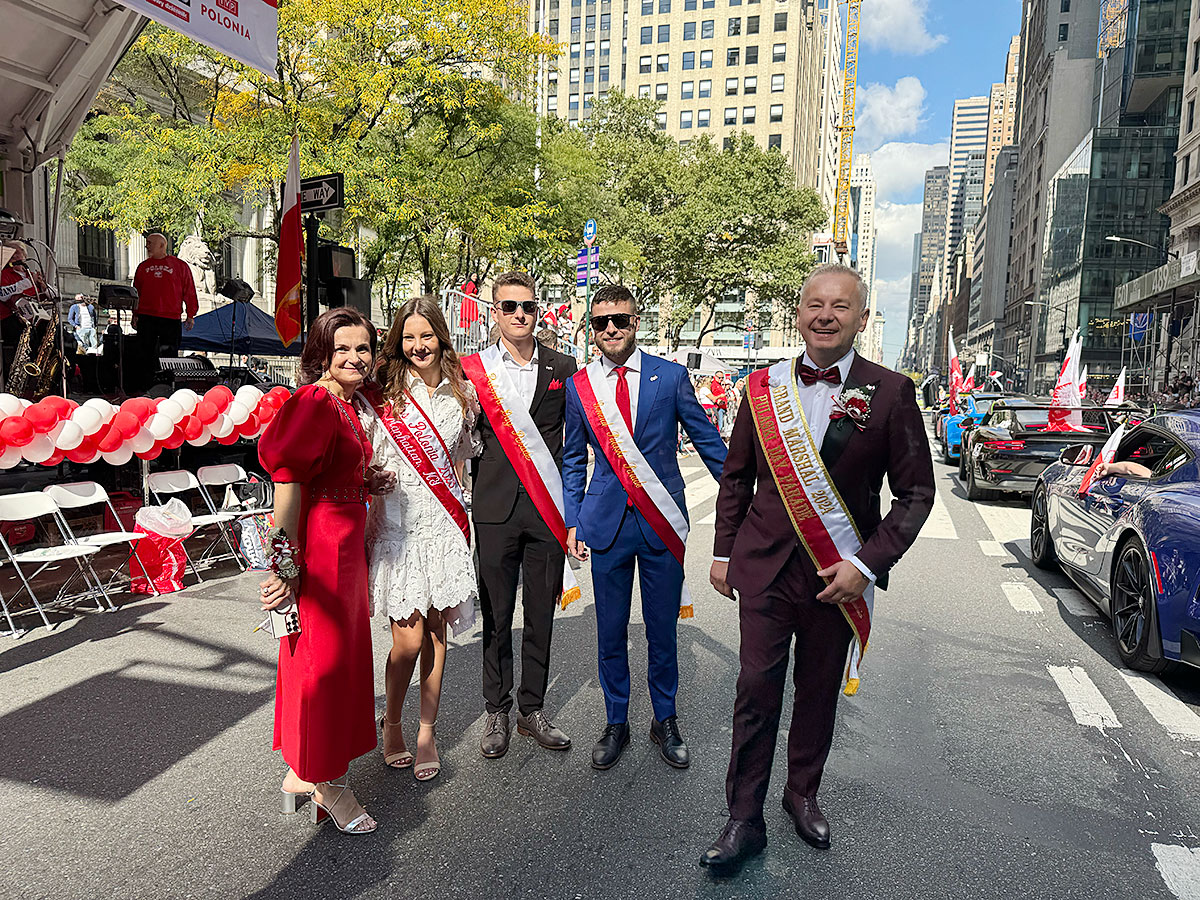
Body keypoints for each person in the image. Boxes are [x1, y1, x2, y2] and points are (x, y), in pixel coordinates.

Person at [700, 264, 935, 872]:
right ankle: (743, 817)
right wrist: (723, 552)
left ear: (862, 318)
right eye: (814, 305)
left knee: (819, 691)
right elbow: (736, 477)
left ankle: (801, 792)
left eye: (840, 306)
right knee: (755, 690)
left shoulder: (891, 392)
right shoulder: (762, 388)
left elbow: (916, 494)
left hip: (838, 574)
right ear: (799, 313)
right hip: (766, 568)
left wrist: (867, 565)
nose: (825, 316)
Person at [563, 284, 727, 771]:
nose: (611, 329)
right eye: (601, 322)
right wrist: (573, 520)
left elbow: (707, 440)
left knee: (662, 630)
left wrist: (746, 498)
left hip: (661, 524)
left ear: (637, 323)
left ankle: (665, 718)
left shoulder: (670, 376)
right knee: (611, 632)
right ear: (592, 329)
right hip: (606, 526)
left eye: (620, 320)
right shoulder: (580, 386)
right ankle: (616, 721)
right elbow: (573, 460)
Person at [257, 306, 395, 835]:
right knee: (323, 665)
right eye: (343, 349)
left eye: (363, 348)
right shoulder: (315, 402)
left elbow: (327, 473)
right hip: (320, 550)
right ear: (322, 354)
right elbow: (288, 486)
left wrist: (364, 482)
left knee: (323, 660)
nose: (355, 357)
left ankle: (302, 770)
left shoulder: (345, 403)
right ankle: (327, 783)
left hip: (343, 548)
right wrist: (284, 565)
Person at [361, 296, 479, 783]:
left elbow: (460, 458)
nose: (418, 345)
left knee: (436, 633)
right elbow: (362, 453)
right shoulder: (383, 394)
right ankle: (392, 721)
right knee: (407, 641)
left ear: (440, 337)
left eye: (426, 335)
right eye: (408, 337)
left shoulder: (462, 393)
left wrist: (463, 511)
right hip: (399, 527)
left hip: (444, 528)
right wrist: (368, 479)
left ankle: (426, 730)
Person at [461, 271, 578, 759]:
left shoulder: (563, 366)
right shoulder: (473, 371)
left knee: (540, 616)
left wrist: (576, 515)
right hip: (494, 510)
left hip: (546, 509)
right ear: (495, 312)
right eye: (509, 306)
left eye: (527, 306)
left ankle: (532, 709)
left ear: (537, 309)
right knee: (496, 615)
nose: (520, 315)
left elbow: (575, 446)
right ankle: (497, 709)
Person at [132, 232, 197, 384]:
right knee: (145, 353)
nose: (147, 246)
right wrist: (135, 314)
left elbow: (189, 290)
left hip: (170, 317)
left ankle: (167, 385)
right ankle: (145, 385)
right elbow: (136, 292)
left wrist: (190, 314)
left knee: (169, 354)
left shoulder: (180, 266)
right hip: (147, 316)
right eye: (147, 243)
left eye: (150, 243)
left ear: (162, 245)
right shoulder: (142, 267)